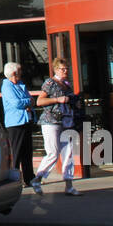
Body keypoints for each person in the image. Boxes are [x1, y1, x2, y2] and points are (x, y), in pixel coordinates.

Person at [33, 57, 81, 196]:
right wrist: (57, 99)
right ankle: (37, 178)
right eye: (62, 69)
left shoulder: (67, 84)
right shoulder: (50, 82)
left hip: (66, 121)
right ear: (55, 69)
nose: (65, 71)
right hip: (51, 121)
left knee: (69, 152)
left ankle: (69, 185)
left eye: (67, 68)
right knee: (53, 153)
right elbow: (39, 101)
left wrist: (74, 103)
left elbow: (70, 100)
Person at [0, 62, 36, 187]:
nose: (21, 74)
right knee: (16, 152)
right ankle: (14, 179)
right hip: (15, 123)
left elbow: (31, 100)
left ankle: (29, 178)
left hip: (26, 120)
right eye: (19, 71)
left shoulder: (20, 84)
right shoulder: (7, 86)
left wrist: (27, 102)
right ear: (14, 73)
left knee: (27, 152)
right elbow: (16, 103)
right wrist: (28, 102)